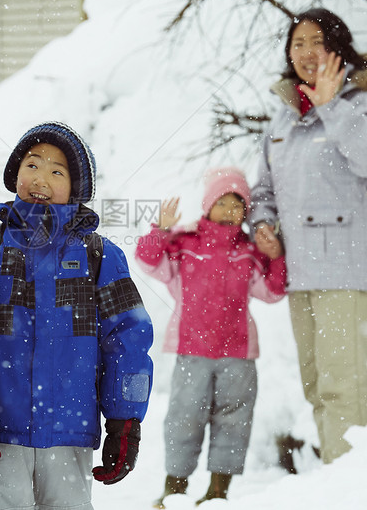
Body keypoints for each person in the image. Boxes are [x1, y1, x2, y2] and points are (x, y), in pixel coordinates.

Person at [0, 122, 154, 510]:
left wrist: (125, 421)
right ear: (15, 173)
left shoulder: (99, 257)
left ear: (76, 190)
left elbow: (128, 341)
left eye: (57, 172)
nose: (41, 178)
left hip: (68, 432)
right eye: (32, 165)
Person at [249, 8, 367, 464]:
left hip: (345, 271)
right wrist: (262, 225)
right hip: (302, 272)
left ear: (337, 48)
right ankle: (344, 475)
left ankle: (355, 484)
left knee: (342, 383)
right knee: (317, 383)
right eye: (297, 43)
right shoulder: (283, 119)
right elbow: (264, 190)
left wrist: (333, 105)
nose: (306, 52)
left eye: (316, 41)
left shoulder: (364, 103)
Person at [135, 168, 287, 507]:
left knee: (234, 420)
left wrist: (275, 257)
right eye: (223, 202)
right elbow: (148, 260)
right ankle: (174, 487)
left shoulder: (250, 251)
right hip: (193, 350)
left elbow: (273, 291)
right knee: (184, 418)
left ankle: (219, 491)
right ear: (207, 205)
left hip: (238, 353)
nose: (230, 210)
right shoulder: (184, 243)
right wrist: (159, 229)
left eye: (238, 205)